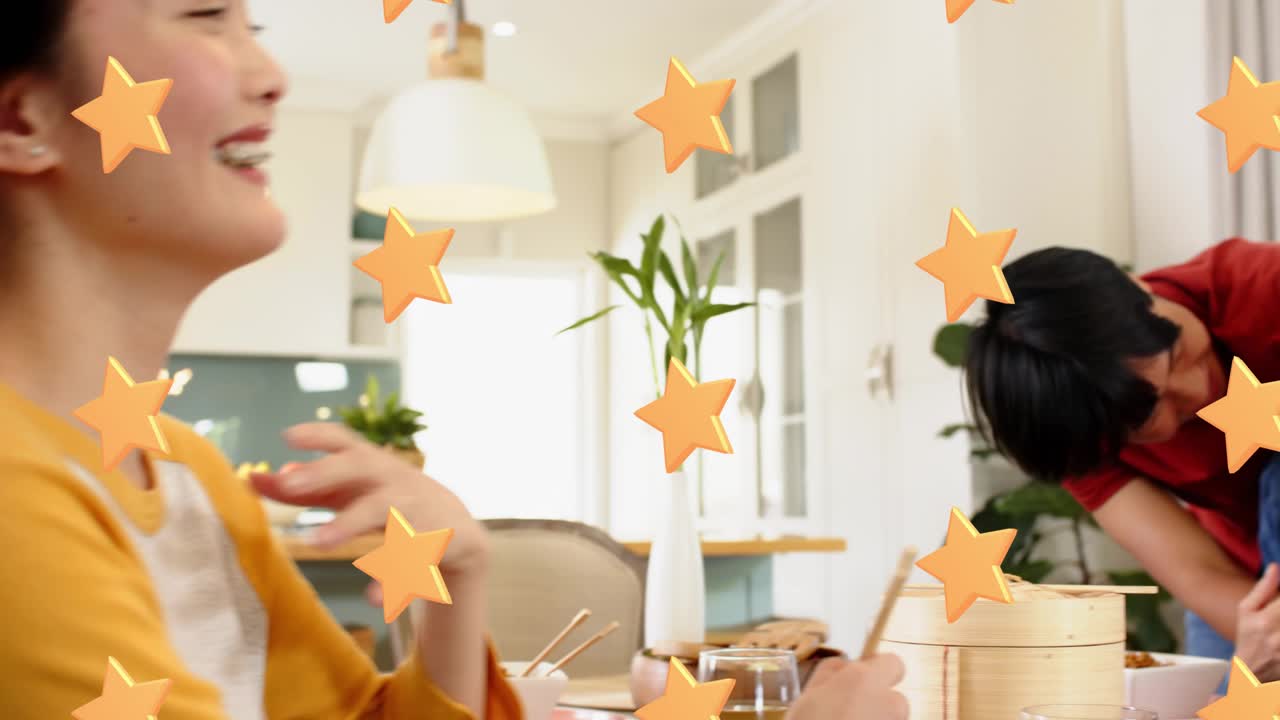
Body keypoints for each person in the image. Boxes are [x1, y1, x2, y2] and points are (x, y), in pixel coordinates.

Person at [0, 2, 912, 718]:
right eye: (203, 13)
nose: (271, 74)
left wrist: (456, 584)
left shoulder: (187, 471)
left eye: (255, 24)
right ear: (21, 118)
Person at [963, 238, 1280, 680]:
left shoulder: (1260, 286)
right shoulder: (1084, 434)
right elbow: (1198, 573)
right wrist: (1264, 637)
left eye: (1179, 353)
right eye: (1153, 413)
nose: (1196, 391)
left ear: (1137, 288)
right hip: (1242, 585)